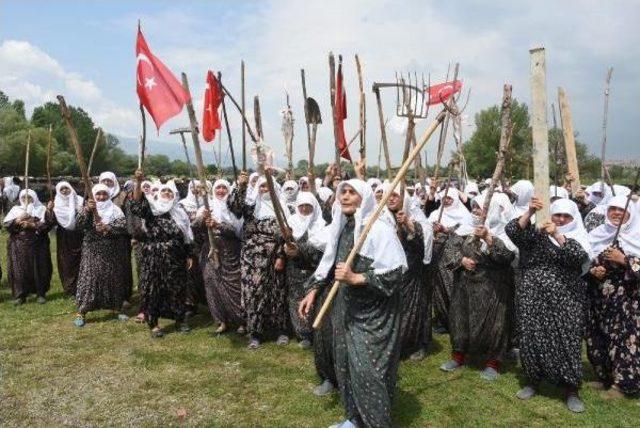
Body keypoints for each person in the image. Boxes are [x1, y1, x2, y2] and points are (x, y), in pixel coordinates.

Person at [299, 179, 407, 428]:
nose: (345, 196)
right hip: (347, 308)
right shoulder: (342, 227)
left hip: (375, 314)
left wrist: (356, 277)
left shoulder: (378, 230)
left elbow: (396, 274)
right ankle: (355, 419)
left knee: (369, 371)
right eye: (342, 192)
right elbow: (328, 263)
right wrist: (313, 290)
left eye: (352, 193)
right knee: (347, 365)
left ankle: (376, 423)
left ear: (365, 198)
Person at [505, 197, 591, 413]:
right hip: (532, 295)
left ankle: (571, 389)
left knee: (567, 338)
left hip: (566, 298)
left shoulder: (577, 236)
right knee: (532, 336)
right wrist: (530, 212)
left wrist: (557, 234)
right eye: (557, 214)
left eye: (566, 216)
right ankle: (533, 380)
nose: (561, 219)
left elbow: (578, 257)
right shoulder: (536, 234)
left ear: (574, 218)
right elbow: (512, 231)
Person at [440, 193, 515, 380]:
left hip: (493, 288)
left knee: (494, 324)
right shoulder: (466, 228)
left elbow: (506, 257)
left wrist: (489, 238)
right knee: (460, 320)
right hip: (464, 285)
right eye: (473, 207)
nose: (475, 211)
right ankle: (458, 356)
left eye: (479, 207)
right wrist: (461, 260)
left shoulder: (504, 233)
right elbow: (449, 250)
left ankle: (493, 363)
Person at [586, 195, 640, 398]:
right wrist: (593, 269)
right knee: (598, 336)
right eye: (612, 209)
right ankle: (605, 376)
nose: (616, 213)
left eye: (622, 209)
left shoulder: (637, 235)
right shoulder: (598, 233)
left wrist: (624, 260)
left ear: (631, 213)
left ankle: (624, 384)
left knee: (624, 340)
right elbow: (585, 259)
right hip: (599, 298)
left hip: (626, 300)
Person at [228, 173, 289, 349]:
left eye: (268, 186)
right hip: (251, 259)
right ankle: (255, 333)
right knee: (253, 294)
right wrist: (241, 185)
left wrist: (280, 256)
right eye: (262, 186)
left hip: (274, 258)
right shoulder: (251, 208)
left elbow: (287, 235)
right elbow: (234, 207)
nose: (265, 189)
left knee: (276, 292)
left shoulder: (281, 209)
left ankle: (280, 331)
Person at [131, 175, 194, 337]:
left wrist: (189, 255)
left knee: (177, 289)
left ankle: (180, 320)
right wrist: (138, 182)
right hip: (154, 258)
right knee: (154, 290)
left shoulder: (180, 213)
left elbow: (186, 236)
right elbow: (136, 204)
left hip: (176, 258)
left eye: (169, 191)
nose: (166, 193)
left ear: (174, 195)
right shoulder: (151, 210)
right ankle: (154, 325)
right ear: (158, 193)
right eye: (163, 190)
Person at [379, 182, 433, 360]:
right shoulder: (383, 219)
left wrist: (408, 225)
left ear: (404, 198)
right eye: (389, 195)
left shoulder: (416, 220)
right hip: (392, 273)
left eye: (395, 195)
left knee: (414, 310)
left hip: (413, 275)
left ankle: (418, 344)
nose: (392, 198)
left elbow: (423, 245)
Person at [74, 184, 131, 326]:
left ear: (109, 195)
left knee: (112, 278)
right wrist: (87, 210)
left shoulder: (115, 209)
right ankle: (81, 312)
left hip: (111, 250)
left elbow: (123, 226)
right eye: (98, 194)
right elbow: (80, 225)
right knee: (90, 278)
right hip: (92, 249)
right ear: (93, 195)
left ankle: (117, 309)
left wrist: (108, 227)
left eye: (104, 194)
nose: (101, 197)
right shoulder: (86, 208)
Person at [196, 178, 245, 334]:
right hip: (210, 251)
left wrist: (218, 225)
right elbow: (194, 228)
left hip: (230, 253)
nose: (221, 191)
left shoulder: (234, 209)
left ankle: (240, 321)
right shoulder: (206, 207)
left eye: (224, 188)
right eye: (218, 188)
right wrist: (202, 219)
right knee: (212, 284)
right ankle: (221, 321)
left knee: (234, 286)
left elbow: (238, 232)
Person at [428, 187, 475, 334]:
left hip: (455, 260)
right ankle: (444, 320)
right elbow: (426, 230)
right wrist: (432, 231)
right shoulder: (436, 214)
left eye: (449, 198)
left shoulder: (464, 215)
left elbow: (466, 236)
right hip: (437, 258)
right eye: (444, 198)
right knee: (439, 291)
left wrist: (446, 231)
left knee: (453, 290)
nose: (446, 201)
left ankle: (458, 322)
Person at [283, 191, 326, 348]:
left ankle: (316, 332)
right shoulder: (290, 223)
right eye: (302, 206)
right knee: (296, 300)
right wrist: (286, 237)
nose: (305, 209)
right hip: (294, 270)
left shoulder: (321, 224)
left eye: (309, 206)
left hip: (315, 270)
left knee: (314, 299)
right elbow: (282, 243)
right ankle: (303, 334)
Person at [3, 189, 54, 305]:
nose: (27, 200)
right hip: (18, 245)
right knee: (19, 270)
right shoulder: (16, 210)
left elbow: (48, 224)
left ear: (34, 198)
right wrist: (18, 219)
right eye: (24, 198)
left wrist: (32, 225)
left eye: (29, 197)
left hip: (38, 244)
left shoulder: (41, 209)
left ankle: (40, 293)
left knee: (39, 268)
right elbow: (6, 225)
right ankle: (20, 295)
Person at [52, 181, 84, 296]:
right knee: (66, 262)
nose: (65, 191)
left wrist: (82, 210)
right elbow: (51, 221)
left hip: (79, 236)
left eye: (67, 188)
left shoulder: (80, 200)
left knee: (81, 261)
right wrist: (49, 211)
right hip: (64, 238)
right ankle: (70, 288)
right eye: (62, 189)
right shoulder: (56, 204)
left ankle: (82, 287)